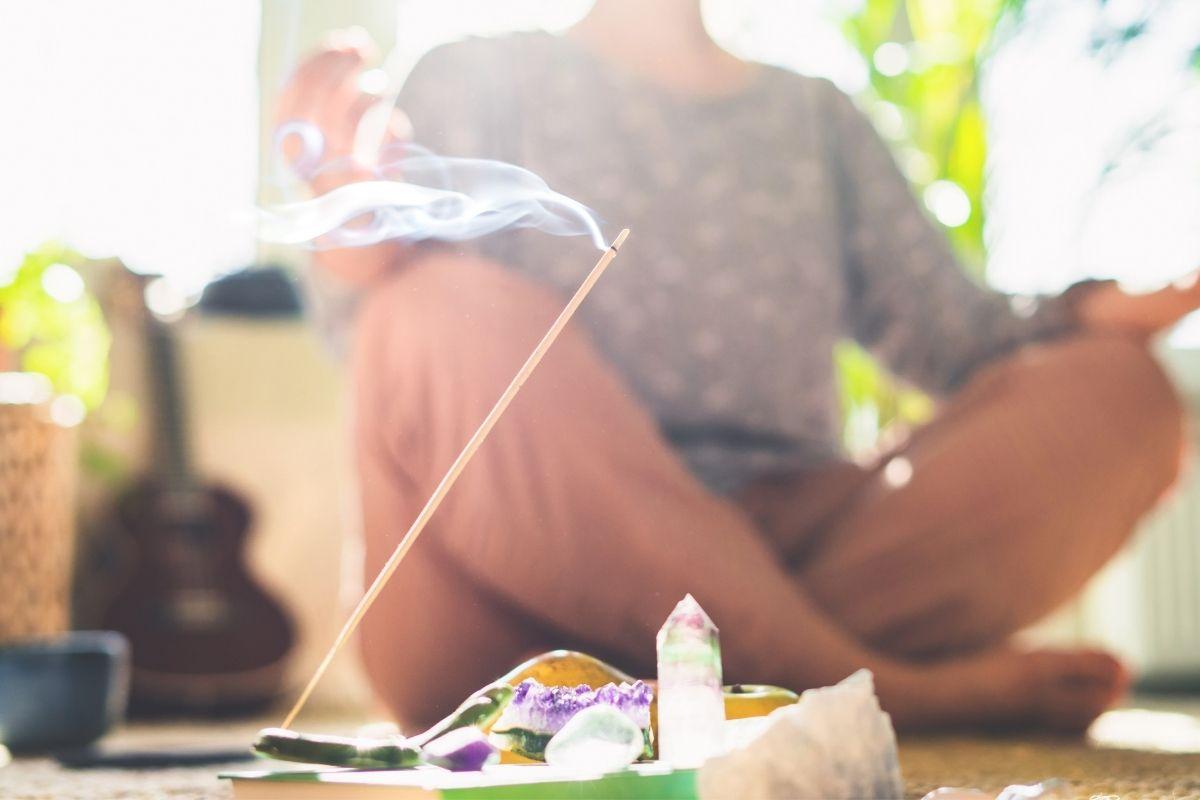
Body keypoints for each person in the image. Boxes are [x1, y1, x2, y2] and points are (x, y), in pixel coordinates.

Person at [276, 0, 1195, 733]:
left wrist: (1095, 315)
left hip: (791, 548)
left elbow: (956, 337)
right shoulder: (477, 74)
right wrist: (352, 230)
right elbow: (396, 346)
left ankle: (702, 693)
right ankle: (872, 693)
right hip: (505, 611)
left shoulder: (816, 119)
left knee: (1121, 393)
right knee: (433, 307)